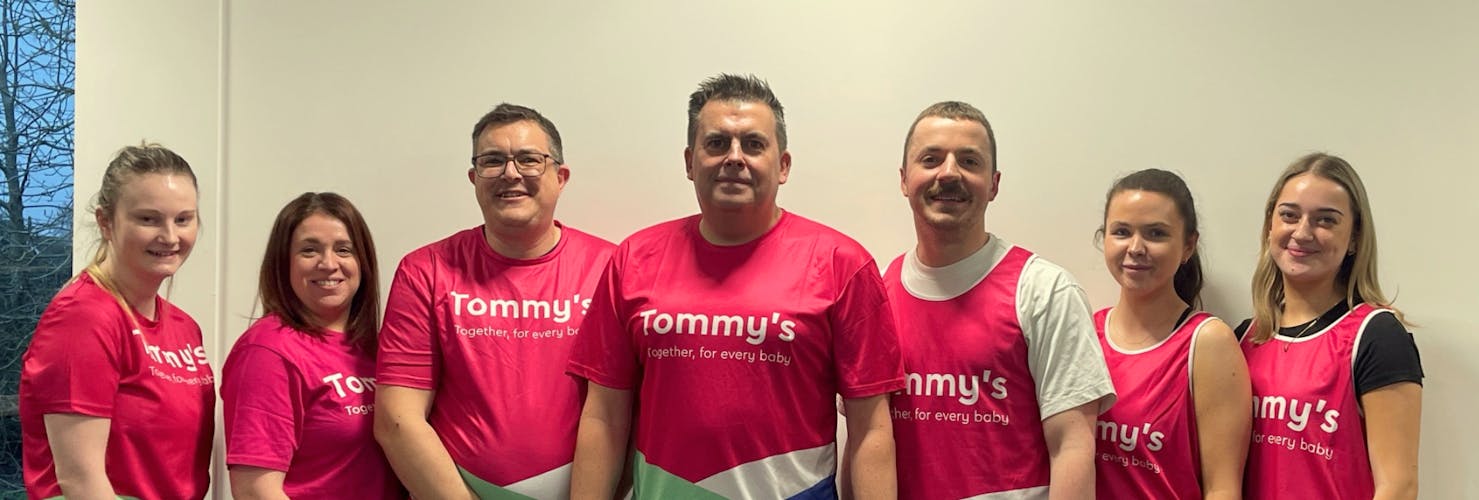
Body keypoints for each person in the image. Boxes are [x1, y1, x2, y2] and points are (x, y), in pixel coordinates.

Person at [568, 74, 904, 499]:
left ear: (783, 166)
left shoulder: (842, 264)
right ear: (690, 162)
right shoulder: (634, 259)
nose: (734, 157)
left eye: (753, 144)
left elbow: (871, 427)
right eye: (716, 143)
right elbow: (604, 416)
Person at [374, 103, 616, 499]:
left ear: (561, 176)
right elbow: (397, 419)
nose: (510, 173)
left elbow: (619, 414)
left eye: (529, 160)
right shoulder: (426, 271)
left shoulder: (610, 269)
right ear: (473, 178)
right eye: (492, 161)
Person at [885, 101, 1116, 500]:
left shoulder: (1045, 290)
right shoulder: (878, 290)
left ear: (993, 184)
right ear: (905, 179)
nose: (950, 173)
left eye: (969, 161)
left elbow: (1073, 447)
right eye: (931, 158)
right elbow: (867, 438)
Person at [20, 143, 214, 499]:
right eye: (148, 219)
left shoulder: (185, 328)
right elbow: (80, 482)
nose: (170, 237)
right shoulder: (82, 318)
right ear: (105, 222)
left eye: (183, 219)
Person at [1236, 153, 1423, 499]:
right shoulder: (1243, 338)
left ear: (1354, 238)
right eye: (1289, 215)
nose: (1302, 232)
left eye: (1326, 220)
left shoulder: (1378, 336)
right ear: (1270, 227)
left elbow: (1398, 487)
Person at [221, 192, 404, 499]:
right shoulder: (268, 351)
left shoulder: (378, 348)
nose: (329, 264)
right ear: (283, 263)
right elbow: (255, 491)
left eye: (344, 250)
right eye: (309, 250)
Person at [1091, 169, 1250, 499]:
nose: (1135, 247)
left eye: (1156, 234)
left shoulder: (1208, 342)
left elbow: (1222, 489)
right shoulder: (1086, 332)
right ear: (1103, 238)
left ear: (1188, 245)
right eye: (1121, 232)